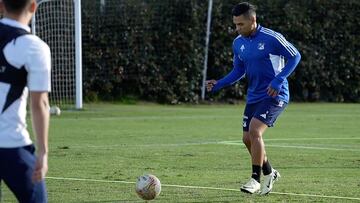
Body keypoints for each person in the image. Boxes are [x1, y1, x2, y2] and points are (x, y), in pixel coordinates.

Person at [206, 2, 301, 195]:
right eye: (235, 24)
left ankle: (255, 179)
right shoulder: (238, 43)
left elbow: (295, 56)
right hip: (254, 96)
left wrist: (278, 80)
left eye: (241, 24)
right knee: (246, 138)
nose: (237, 28)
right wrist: (220, 83)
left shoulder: (272, 38)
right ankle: (269, 172)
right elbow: (238, 70)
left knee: (255, 131)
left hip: (275, 94)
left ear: (253, 20)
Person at [0, 0, 51, 202]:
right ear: (33, 7)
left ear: (1, 5)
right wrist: (43, 152)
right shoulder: (35, 47)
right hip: (12, 146)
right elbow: (40, 104)